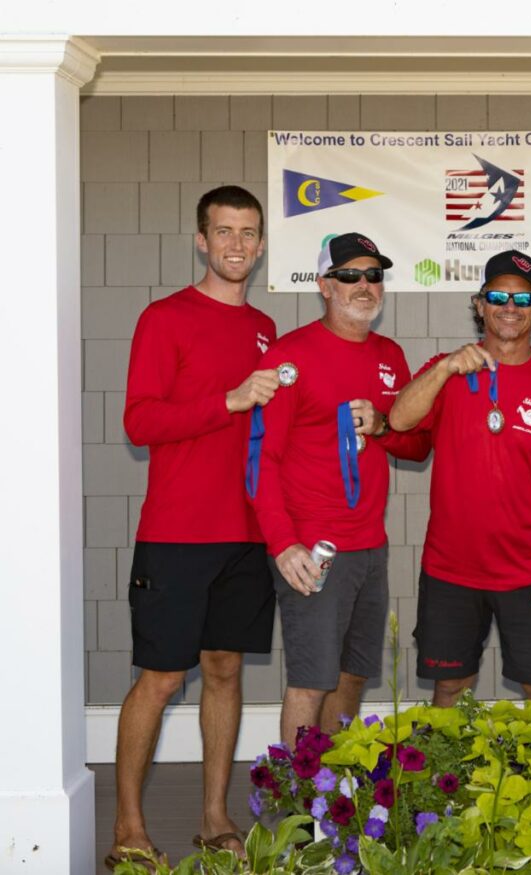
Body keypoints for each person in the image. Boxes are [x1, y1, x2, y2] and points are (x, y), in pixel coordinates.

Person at [109, 186, 279, 867]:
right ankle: (128, 823)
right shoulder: (164, 318)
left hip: (247, 533)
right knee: (159, 677)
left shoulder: (265, 329)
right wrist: (229, 400)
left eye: (248, 232)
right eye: (224, 231)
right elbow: (139, 421)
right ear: (202, 240)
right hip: (177, 532)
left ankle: (213, 816)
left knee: (226, 669)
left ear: (262, 245)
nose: (237, 243)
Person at [249, 233, 431, 749]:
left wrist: (382, 427)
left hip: (370, 548)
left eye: (374, 275)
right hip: (314, 548)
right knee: (311, 680)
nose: (364, 286)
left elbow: (416, 447)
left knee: (353, 674)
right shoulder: (291, 355)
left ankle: (336, 795)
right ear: (325, 285)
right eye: (350, 275)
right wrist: (284, 545)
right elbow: (262, 460)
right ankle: (298, 811)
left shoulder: (389, 354)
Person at [389, 250, 531, 707]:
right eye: (498, 296)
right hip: (452, 570)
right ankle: (447, 782)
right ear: (480, 304)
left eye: (523, 299)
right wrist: (444, 369)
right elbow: (399, 421)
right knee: (450, 688)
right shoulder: (448, 370)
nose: (510, 307)